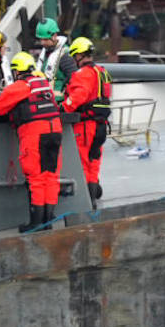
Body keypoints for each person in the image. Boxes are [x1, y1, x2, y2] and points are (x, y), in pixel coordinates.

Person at [0, 52, 64, 230]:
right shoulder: (43, 85)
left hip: (35, 133)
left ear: (17, 71)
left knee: (36, 178)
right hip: (55, 131)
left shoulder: (20, 87)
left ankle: (36, 223)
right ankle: (48, 221)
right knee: (51, 177)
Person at [61, 37, 110, 207]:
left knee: (82, 162)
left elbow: (78, 96)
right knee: (94, 162)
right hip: (101, 125)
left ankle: (86, 202)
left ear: (79, 55)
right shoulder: (102, 71)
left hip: (86, 126)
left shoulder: (82, 74)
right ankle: (92, 198)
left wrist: (63, 108)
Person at [33, 16, 69, 87]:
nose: (42, 43)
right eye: (41, 39)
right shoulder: (45, 51)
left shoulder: (65, 54)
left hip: (58, 93)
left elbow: (72, 78)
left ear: (54, 36)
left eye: (45, 39)